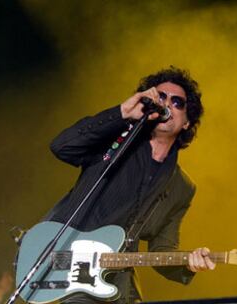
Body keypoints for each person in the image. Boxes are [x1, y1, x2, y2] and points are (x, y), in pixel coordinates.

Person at [44, 66, 215, 303]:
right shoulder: (115, 144)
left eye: (177, 102)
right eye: (160, 97)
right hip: (70, 266)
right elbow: (61, 146)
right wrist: (123, 112)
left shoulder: (182, 187)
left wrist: (190, 264)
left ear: (187, 122)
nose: (166, 104)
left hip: (118, 283)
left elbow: (161, 249)